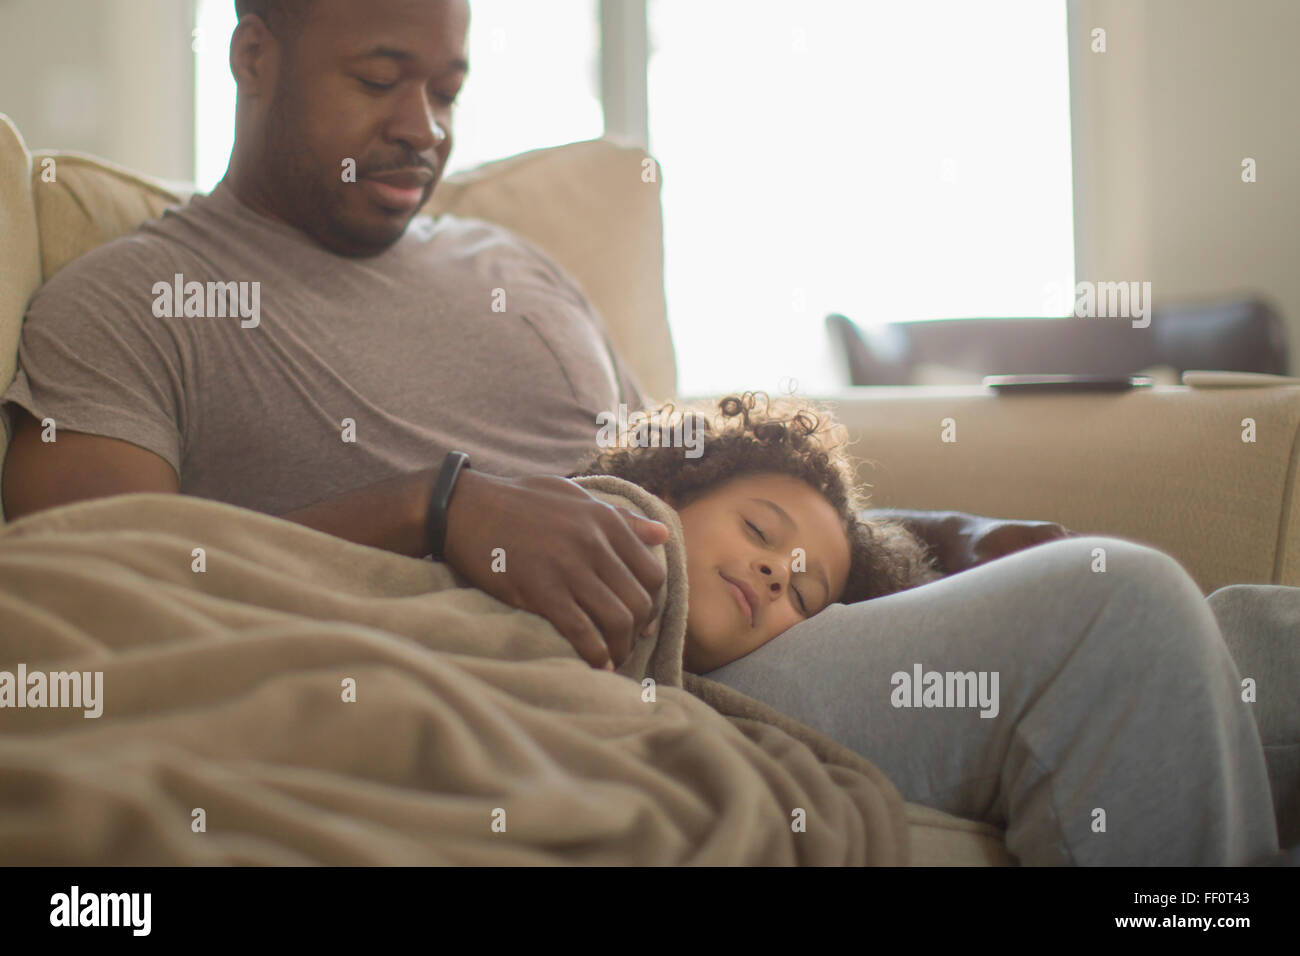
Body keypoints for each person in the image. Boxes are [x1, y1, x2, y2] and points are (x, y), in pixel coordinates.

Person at [0, 0, 1053, 674]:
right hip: (570, 687)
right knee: (1120, 617)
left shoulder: (515, 267)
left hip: (726, 652)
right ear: (254, 55)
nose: (424, 125)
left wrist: (932, 541)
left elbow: (702, 497)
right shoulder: (125, 303)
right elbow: (87, 591)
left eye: (447, 89)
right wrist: (434, 506)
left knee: (1202, 611)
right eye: (379, 79)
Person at [574, 392, 1283, 866]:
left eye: (802, 592)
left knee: (1259, 636)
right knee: (1124, 605)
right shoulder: (614, 523)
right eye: (759, 532)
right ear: (669, 492)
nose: (773, 575)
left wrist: (949, 534)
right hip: (692, 682)